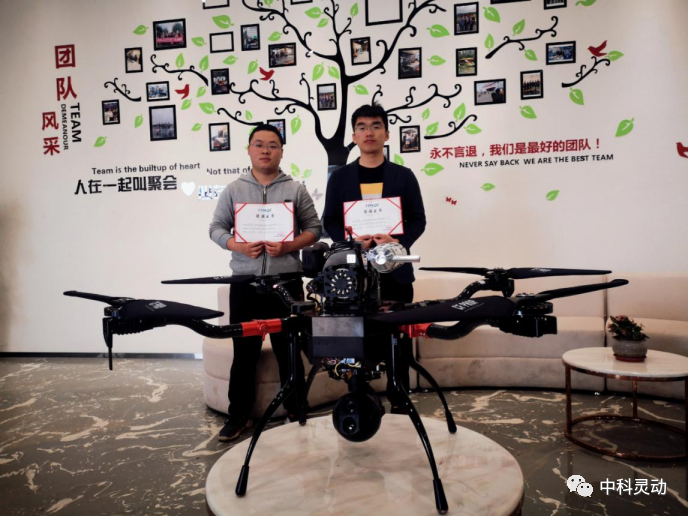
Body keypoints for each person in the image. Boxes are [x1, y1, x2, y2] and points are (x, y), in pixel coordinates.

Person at [209, 123, 322, 441]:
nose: (265, 150)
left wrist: (289, 246)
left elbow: (314, 229)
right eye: (259, 144)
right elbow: (216, 228)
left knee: (290, 350)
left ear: (281, 152)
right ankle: (239, 415)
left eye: (273, 145)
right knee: (244, 352)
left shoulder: (295, 190)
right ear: (248, 150)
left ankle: (296, 409)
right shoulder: (234, 190)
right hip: (245, 283)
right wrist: (237, 246)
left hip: (286, 281)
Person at [322, 103, 426, 410]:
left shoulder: (403, 176)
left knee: (398, 340)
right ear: (354, 136)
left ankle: (400, 399)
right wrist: (350, 242)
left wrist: (397, 241)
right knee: (355, 339)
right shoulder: (340, 177)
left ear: (387, 134)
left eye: (376, 126)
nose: (369, 132)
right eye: (362, 127)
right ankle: (360, 398)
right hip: (355, 275)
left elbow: (418, 219)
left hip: (396, 272)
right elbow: (330, 220)